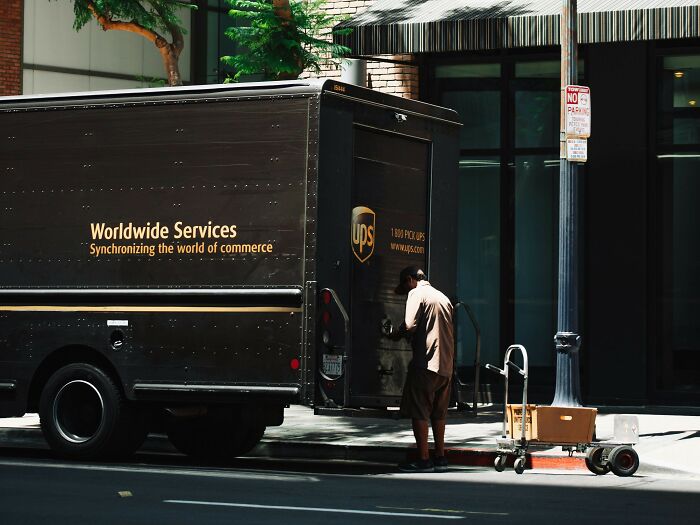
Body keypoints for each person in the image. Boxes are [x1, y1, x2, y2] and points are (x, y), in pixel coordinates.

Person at [390, 266, 454, 473]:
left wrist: (395, 333)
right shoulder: (443, 297)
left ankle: (424, 459)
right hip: (446, 366)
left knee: (419, 411)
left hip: (426, 364)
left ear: (410, 280)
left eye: (405, 286)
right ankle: (440, 457)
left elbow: (409, 325)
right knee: (439, 413)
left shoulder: (417, 293)